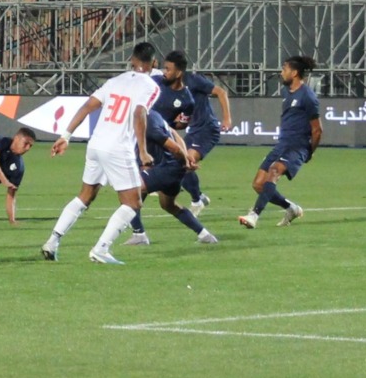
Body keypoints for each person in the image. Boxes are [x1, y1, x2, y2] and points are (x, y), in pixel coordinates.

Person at [41, 42, 159, 265]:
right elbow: (140, 112)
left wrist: (65, 136)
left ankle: (52, 241)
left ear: (132, 61)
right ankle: (101, 249)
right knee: (133, 203)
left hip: (95, 144)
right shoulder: (150, 86)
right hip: (118, 148)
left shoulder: (114, 81)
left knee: (85, 196)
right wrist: (143, 151)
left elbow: (87, 106)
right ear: (154, 63)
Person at [239, 56, 322, 229]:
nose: (281, 72)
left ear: (295, 72)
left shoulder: (308, 96)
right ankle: (291, 208)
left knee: (274, 170)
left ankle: (254, 215)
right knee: (258, 184)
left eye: (284, 69)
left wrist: (309, 151)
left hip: (297, 146)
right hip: (282, 145)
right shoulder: (286, 92)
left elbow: (317, 129)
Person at [121, 110, 218, 245]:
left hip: (165, 169)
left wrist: (186, 161)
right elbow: (174, 133)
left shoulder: (148, 123)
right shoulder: (154, 114)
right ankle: (205, 235)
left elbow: (174, 148)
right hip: (172, 170)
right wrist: (186, 157)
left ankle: (139, 235)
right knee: (168, 205)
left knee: (130, 193)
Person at [181, 60, 233, 215]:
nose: (166, 72)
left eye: (169, 69)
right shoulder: (170, 85)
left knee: (186, 162)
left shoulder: (193, 79)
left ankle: (196, 202)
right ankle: (199, 197)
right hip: (193, 130)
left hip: (207, 129)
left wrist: (227, 119)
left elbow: (221, 92)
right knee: (176, 163)